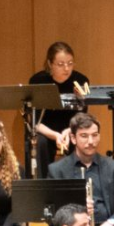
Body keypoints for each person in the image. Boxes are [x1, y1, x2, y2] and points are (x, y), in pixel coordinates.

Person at [49, 113, 114, 226]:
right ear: (73, 138)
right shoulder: (57, 170)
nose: (91, 141)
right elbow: (51, 211)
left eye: (95, 135)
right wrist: (76, 211)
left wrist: (111, 223)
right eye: (84, 136)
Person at [28, 41, 90, 178]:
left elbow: (82, 116)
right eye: (61, 64)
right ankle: (43, 186)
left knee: (81, 138)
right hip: (45, 130)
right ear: (50, 64)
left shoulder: (81, 80)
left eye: (70, 63)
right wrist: (55, 135)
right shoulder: (37, 81)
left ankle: (78, 184)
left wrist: (68, 131)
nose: (66, 68)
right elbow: (34, 120)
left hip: (71, 128)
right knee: (40, 142)